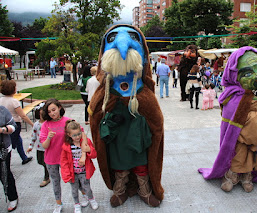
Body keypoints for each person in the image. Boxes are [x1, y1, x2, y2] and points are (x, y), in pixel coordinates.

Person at [88, 25, 164, 207]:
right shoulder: (105, 91)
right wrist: (109, 120)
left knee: (142, 164)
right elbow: (95, 116)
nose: (123, 47)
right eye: (113, 38)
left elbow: (157, 123)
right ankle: (120, 189)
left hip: (139, 138)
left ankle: (144, 189)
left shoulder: (144, 91)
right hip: (117, 138)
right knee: (119, 164)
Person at [198, 47, 257, 193]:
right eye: (248, 72)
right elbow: (229, 121)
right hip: (240, 137)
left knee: (253, 157)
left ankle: (247, 177)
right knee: (237, 155)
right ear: (235, 75)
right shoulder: (232, 95)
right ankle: (231, 177)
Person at [40, 98, 71, 213]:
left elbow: (78, 134)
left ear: (59, 108)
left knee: (74, 178)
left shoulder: (68, 121)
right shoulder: (45, 125)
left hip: (66, 158)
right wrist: (49, 137)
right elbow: (44, 146)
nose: (52, 113)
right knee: (55, 182)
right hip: (51, 160)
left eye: (54, 109)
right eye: (49, 112)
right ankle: (58, 204)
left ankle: (81, 198)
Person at [61, 120, 98, 213]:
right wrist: (66, 175)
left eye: (78, 134)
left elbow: (94, 154)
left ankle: (91, 199)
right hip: (73, 173)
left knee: (87, 187)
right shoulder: (66, 146)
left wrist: (89, 149)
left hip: (84, 171)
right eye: (74, 135)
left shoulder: (86, 142)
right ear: (69, 135)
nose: (77, 137)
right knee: (74, 190)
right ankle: (76, 204)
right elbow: (64, 162)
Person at [0, 80, 33, 165]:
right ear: (13, 89)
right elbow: (23, 115)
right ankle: (7, 165)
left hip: (4, 124)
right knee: (10, 144)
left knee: (18, 140)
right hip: (14, 125)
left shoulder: (1, 100)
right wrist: (32, 124)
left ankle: (24, 158)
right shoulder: (14, 101)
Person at [26, 103, 50, 187]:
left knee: (46, 162)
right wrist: (30, 146)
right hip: (39, 148)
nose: (41, 116)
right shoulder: (36, 124)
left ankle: (46, 177)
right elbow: (33, 136)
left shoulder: (48, 124)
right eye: (40, 114)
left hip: (47, 147)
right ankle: (48, 171)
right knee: (40, 161)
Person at [0, 106, 18, 212]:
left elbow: (13, 126)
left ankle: (13, 197)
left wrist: (2, 129)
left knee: (5, 173)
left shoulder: (2, 110)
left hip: (3, 150)